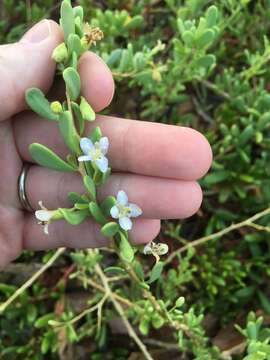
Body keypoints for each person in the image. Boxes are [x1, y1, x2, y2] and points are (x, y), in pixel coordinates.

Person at [0, 20, 212, 267]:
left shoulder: (98, 170)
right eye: (124, 212)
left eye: (123, 212)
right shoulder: (88, 156)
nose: (123, 211)